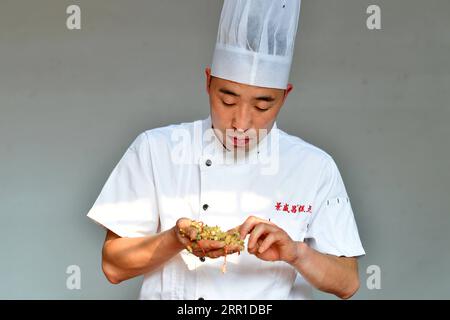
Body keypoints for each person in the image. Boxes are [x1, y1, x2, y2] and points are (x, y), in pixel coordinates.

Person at [87, 0, 365, 300]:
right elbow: (113, 266)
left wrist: (296, 253)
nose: (241, 123)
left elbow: (347, 282)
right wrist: (175, 238)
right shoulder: (156, 149)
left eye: (263, 105)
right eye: (228, 101)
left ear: (284, 97)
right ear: (208, 82)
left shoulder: (314, 166)